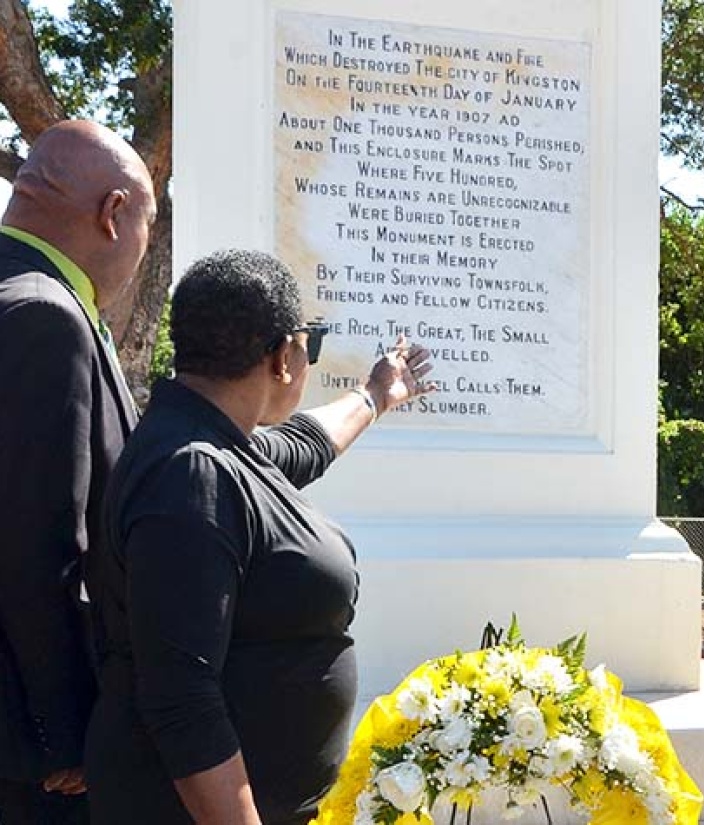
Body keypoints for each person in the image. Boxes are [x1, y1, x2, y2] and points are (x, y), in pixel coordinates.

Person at [84, 249, 434, 825]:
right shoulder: (190, 474)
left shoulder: (217, 444)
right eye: (307, 344)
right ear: (283, 355)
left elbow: (305, 442)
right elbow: (182, 699)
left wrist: (376, 394)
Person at [0, 120, 157, 824]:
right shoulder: (45, 316)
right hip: (27, 753)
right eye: (149, 229)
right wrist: (64, 729)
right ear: (114, 212)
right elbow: (38, 548)